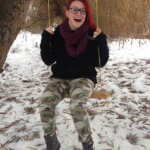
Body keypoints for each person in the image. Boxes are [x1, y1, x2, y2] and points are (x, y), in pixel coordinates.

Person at [39, 0, 109, 149]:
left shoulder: (92, 33)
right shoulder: (57, 33)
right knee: (45, 103)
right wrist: (46, 37)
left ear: (86, 13)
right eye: (74, 10)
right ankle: (51, 143)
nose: (78, 13)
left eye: (82, 10)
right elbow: (48, 60)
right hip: (60, 78)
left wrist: (101, 40)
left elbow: (100, 62)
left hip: (84, 78)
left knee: (76, 106)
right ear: (67, 12)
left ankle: (87, 145)